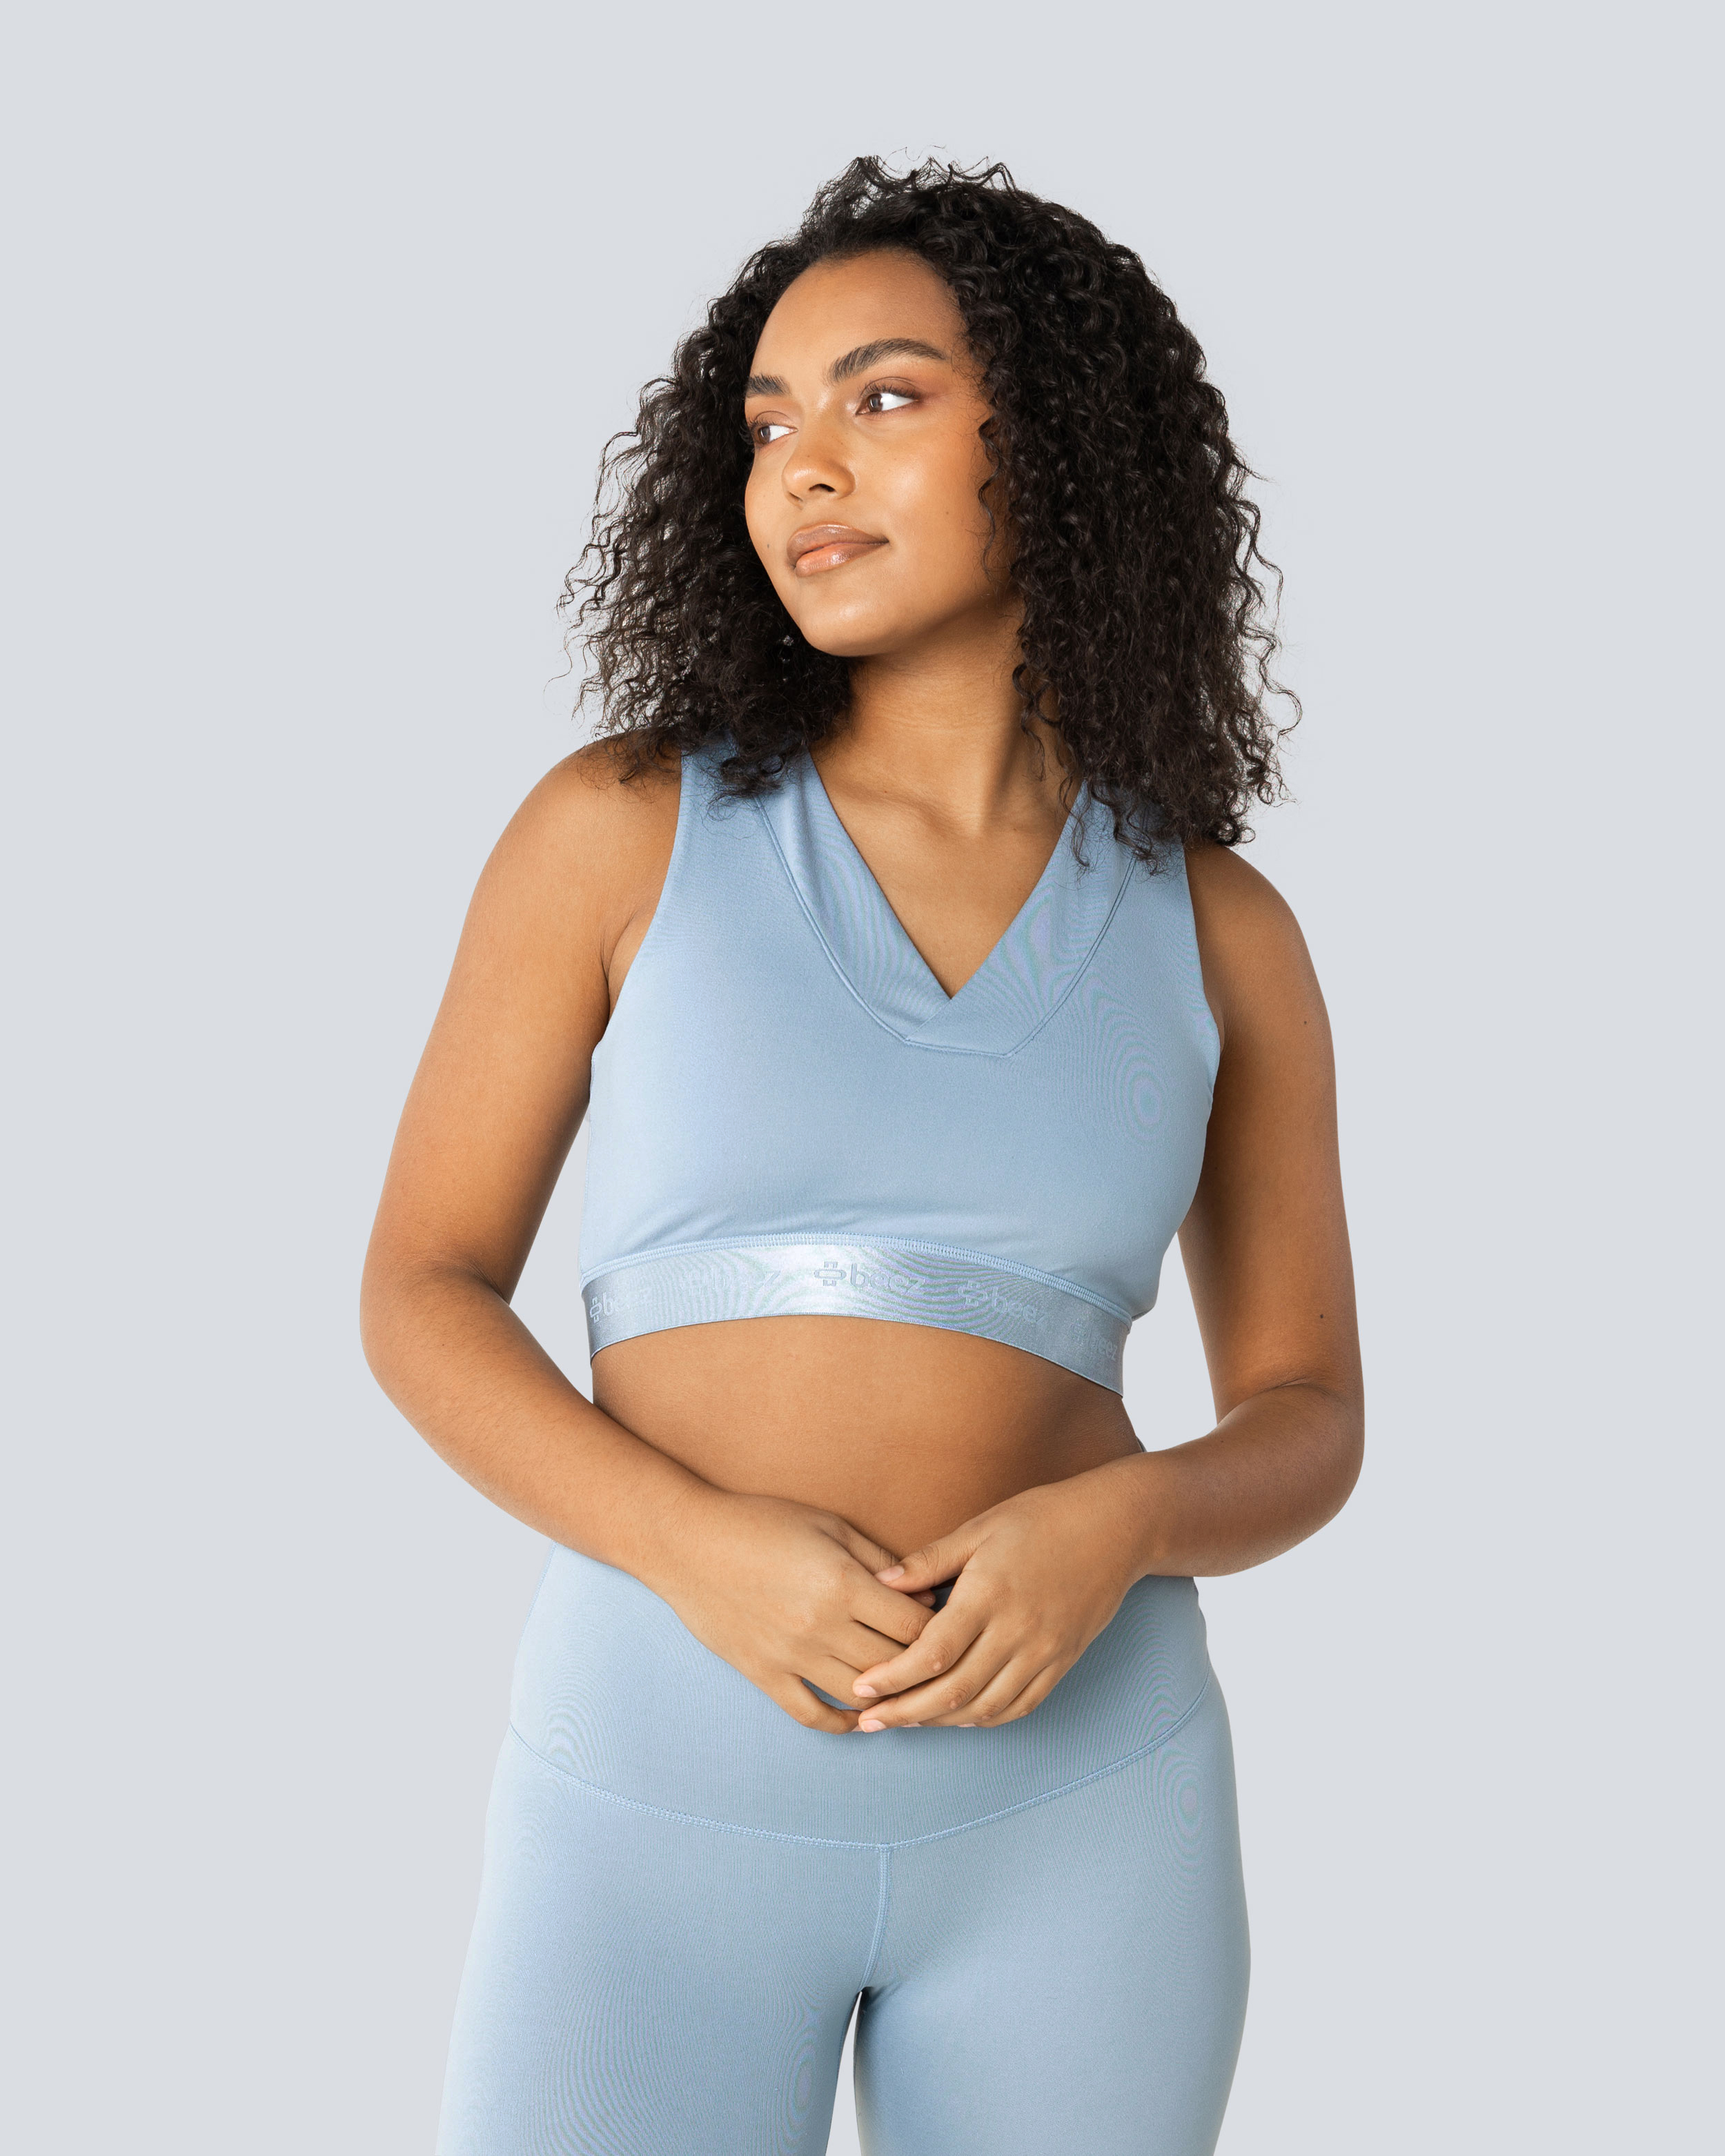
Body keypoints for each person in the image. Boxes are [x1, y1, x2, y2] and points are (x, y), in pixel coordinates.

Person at [361, 155, 1363, 2156]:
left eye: (883, 397)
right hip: (657, 1782)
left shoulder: (1221, 932)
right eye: (765, 425)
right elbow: (420, 1292)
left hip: (1089, 1814)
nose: (802, 469)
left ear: (1056, 442)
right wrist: (686, 1546)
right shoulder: (621, 828)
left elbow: (1308, 1413)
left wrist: (1123, 1524)